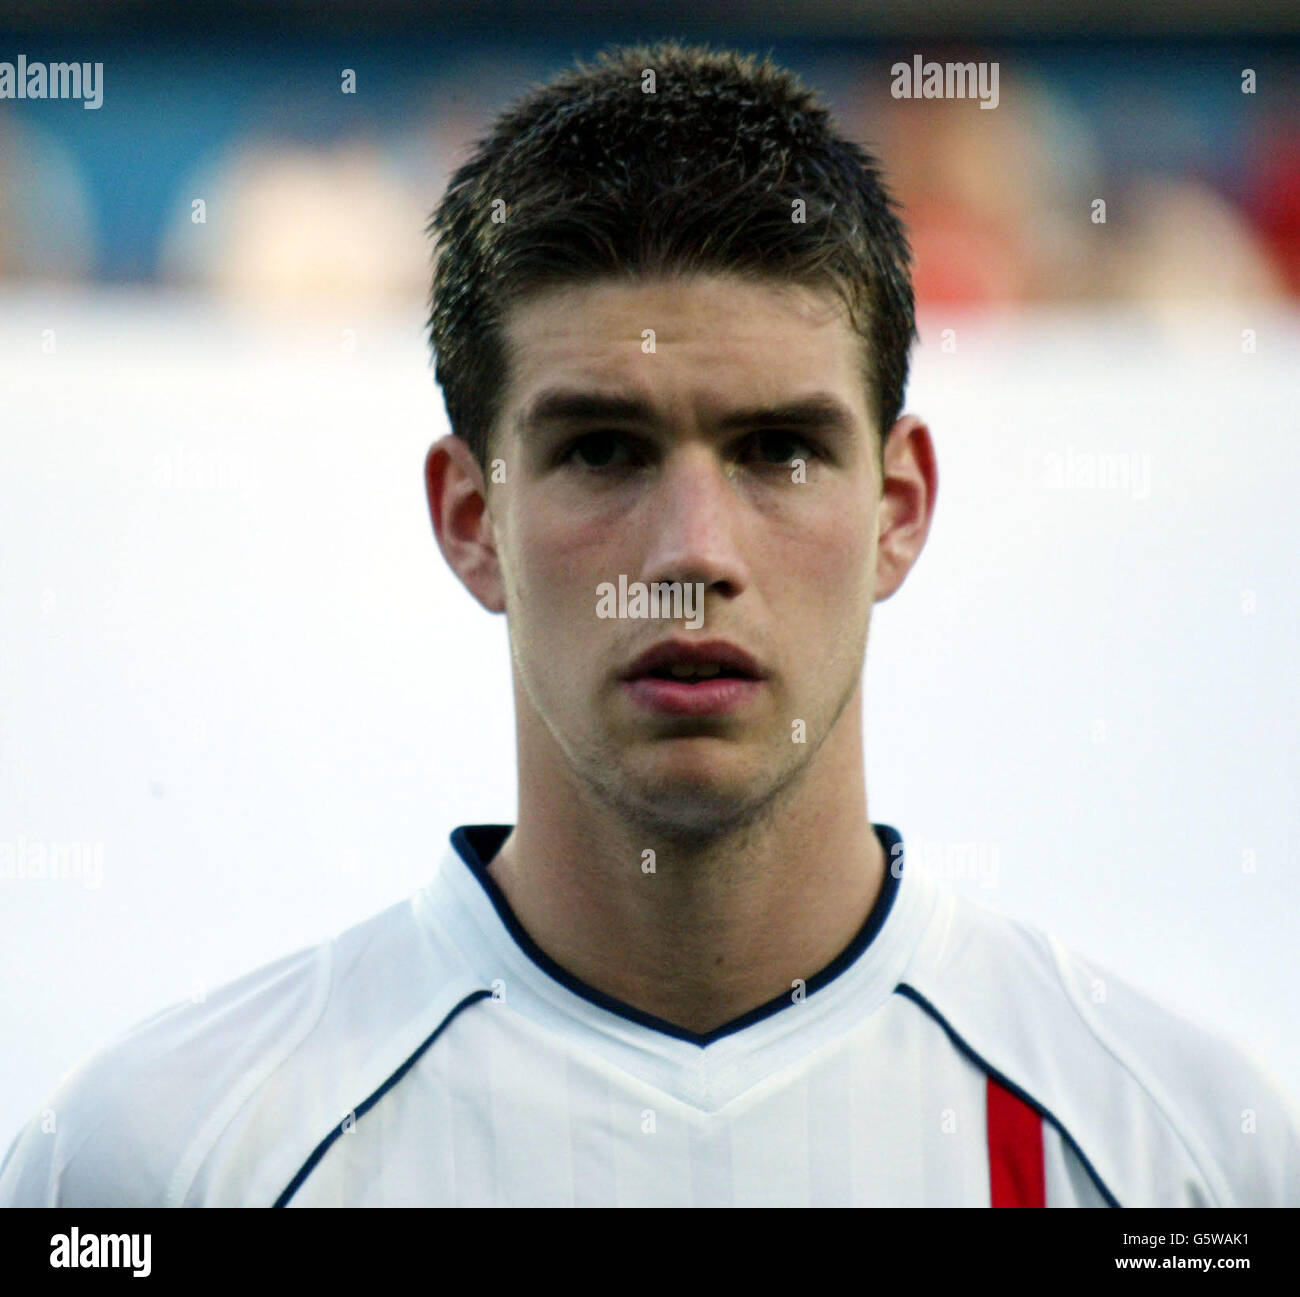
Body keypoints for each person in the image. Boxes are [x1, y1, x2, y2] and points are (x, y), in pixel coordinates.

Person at [2, 39, 1296, 1208]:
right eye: (606, 450)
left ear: (899, 508)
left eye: (779, 450)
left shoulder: (1185, 1158)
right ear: (468, 516)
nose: (693, 554)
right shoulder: (155, 1166)